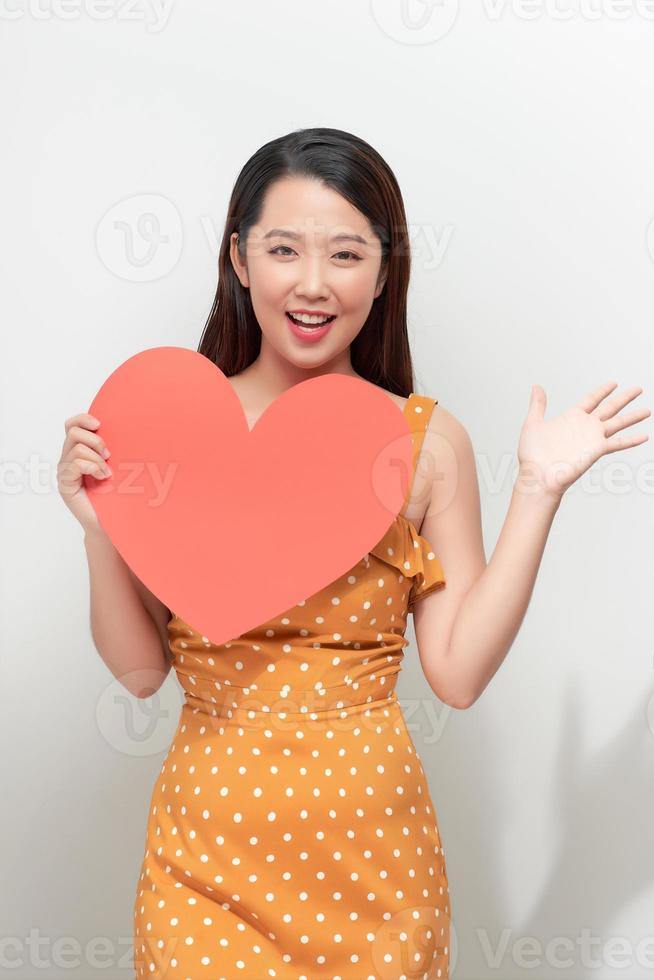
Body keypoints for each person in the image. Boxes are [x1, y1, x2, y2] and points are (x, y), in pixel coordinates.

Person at [57, 127, 650, 980]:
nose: (311, 283)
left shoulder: (425, 442)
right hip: (205, 862)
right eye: (283, 249)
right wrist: (97, 528)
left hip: (375, 866)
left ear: (383, 270)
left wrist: (537, 491)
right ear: (239, 258)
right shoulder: (167, 429)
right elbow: (142, 672)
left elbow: (457, 674)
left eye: (344, 253)